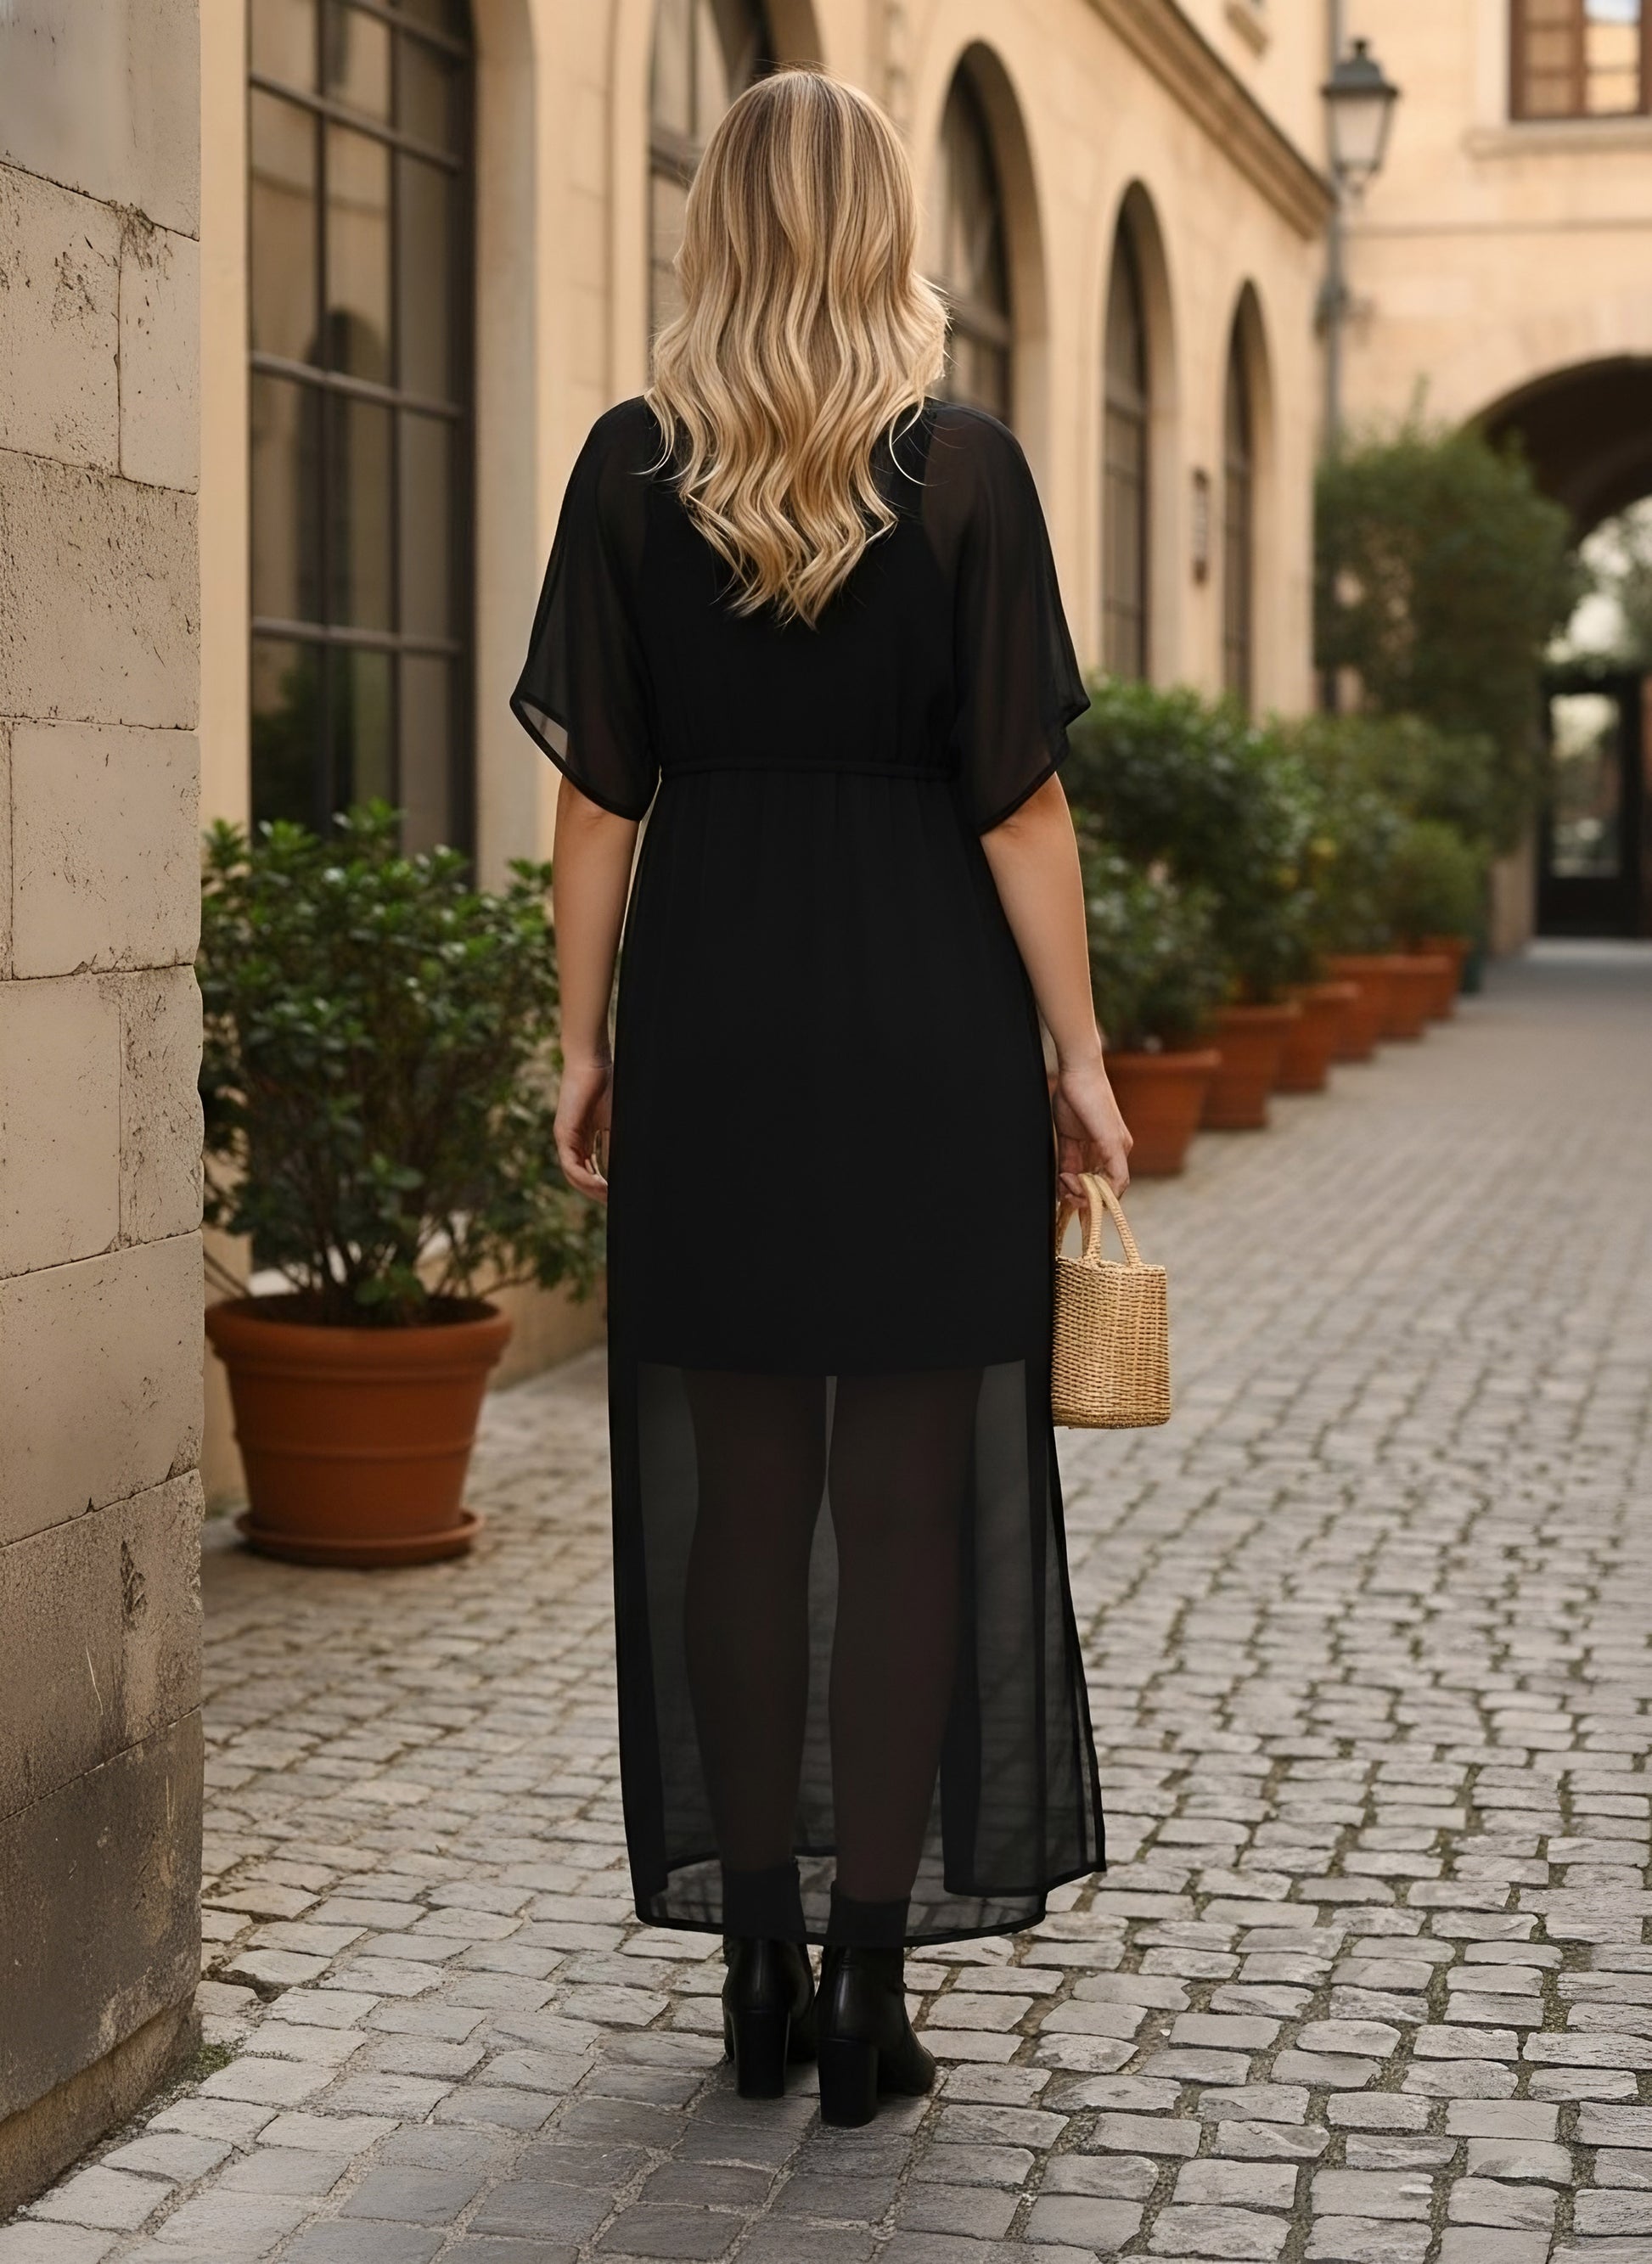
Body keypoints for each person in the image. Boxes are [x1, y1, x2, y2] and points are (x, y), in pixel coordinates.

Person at [512, 65, 1131, 2130]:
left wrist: (583, 1039)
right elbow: (1020, 803)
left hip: (716, 1020)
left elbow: (596, 800)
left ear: (713, 228)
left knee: (742, 1496)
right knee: (908, 1503)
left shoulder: (630, 470)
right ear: (886, 232)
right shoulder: (965, 473)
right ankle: (873, 1974)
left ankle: (757, 1956)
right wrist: (1077, 1055)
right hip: (926, 1026)